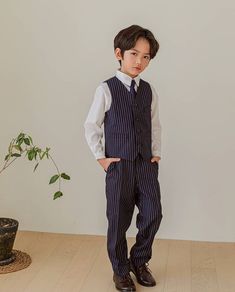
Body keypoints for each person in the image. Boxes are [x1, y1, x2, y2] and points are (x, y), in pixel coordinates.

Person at [84, 24, 163, 292]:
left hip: (145, 165)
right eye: (134, 54)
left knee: (153, 214)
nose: (139, 61)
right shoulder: (106, 89)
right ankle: (120, 271)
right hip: (119, 166)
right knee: (118, 220)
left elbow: (155, 124)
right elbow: (91, 125)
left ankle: (138, 261)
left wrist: (156, 154)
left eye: (146, 57)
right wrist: (101, 158)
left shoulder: (149, 91)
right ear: (119, 53)